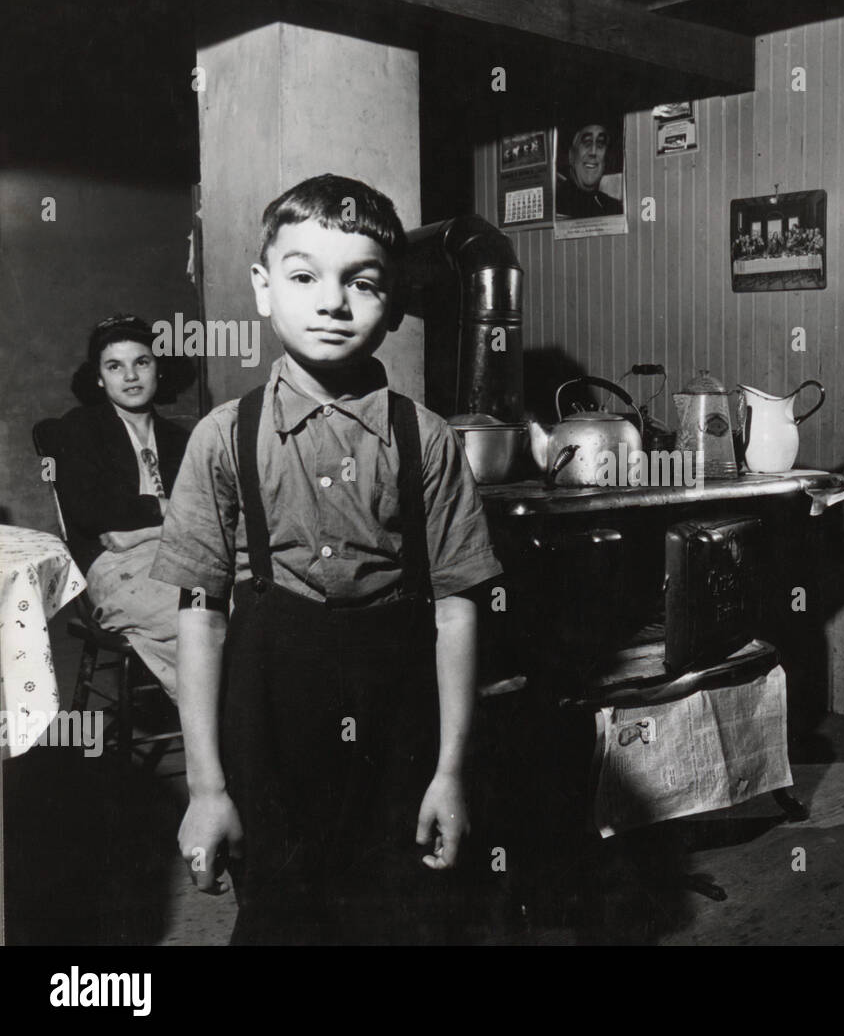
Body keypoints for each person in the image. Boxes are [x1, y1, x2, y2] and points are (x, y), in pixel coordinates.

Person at [150, 173, 503, 944]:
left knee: (400, 914)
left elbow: (455, 609)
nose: (332, 301)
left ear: (396, 301)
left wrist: (448, 773)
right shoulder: (222, 438)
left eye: (362, 283)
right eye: (304, 276)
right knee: (281, 913)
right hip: (269, 710)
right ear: (263, 287)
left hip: (398, 711)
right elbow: (201, 621)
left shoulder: (429, 440)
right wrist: (206, 787)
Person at [57, 314, 192, 700]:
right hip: (112, 566)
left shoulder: (179, 438)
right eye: (115, 366)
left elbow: (208, 513)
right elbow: (89, 511)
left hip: (178, 551)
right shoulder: (81, 427)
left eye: (142, 362)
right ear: (99, 378)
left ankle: (232, 723)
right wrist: (164, 507)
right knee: (195, 617)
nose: (130, 376)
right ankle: (222, 724)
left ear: (158, 369)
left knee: (239, 606)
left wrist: (147, 529)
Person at [555, 120, 624, 219]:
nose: (593, 152)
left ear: (606, 159)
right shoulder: (554, 206)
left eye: (600, 144)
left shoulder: (614, 209)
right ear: (571, 156)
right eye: (587, 142)